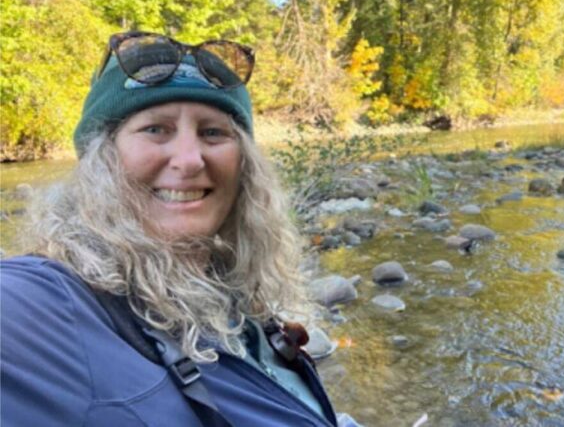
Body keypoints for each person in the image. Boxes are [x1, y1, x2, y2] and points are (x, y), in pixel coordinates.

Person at [1, 31, 339, 426]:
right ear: (102, 159)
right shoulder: (46, 305)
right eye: (155, 129)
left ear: (245, 164)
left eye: (213, 132)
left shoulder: (237, 296)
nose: (189, 159)